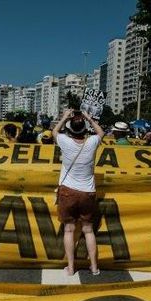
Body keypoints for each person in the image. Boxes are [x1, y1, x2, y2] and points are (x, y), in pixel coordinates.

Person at [52, 109, 105, 276]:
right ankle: (94, 267)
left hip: (68, 192)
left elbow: (54, 131)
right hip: (88, 192)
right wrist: (89, 118)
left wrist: (65, 117)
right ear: (85, 129)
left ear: (70, 129)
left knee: (69, 229)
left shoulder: (64, 141)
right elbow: (101, 132)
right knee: (88, 230)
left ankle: (71, 267)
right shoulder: (92, 142)